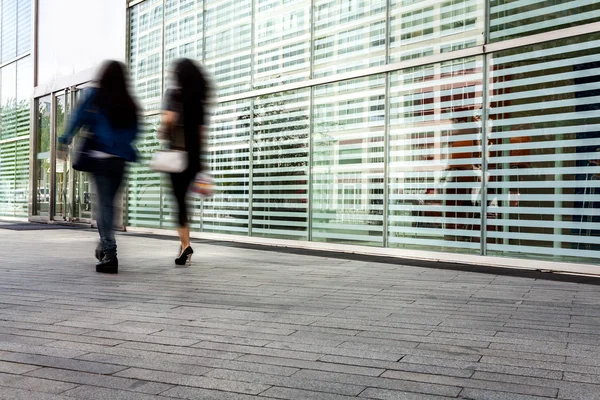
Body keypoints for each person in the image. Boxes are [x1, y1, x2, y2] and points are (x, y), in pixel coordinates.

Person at [58, 61, 139, 273]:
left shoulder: (95, 95)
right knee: (110, 206)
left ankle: (110, 255)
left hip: (101, 158)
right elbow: (135, 131)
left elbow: (78, 117)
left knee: (104, 206)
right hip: (120, 160)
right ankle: (104, 245)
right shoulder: (129, 101)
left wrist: (64, 140)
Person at [159, 58, 211, 266]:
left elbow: (169, 119)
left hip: (176, 156)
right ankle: (183, 245)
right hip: (194, 157)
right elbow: (201, 132)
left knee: (179, 203)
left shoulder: (174, 94)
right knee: (184, 202)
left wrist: (163, 130)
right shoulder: (199, 101)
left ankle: (186, 245)